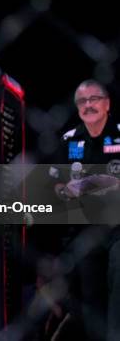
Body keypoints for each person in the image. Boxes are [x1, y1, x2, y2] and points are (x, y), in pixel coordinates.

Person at [48, 79, 120, 340]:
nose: (88, 105)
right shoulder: (68, 140)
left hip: (117, 230)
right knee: (90, 299)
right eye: (82, 101)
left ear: (107, 103)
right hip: (83, 229)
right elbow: (56, 185)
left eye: (94, 99)